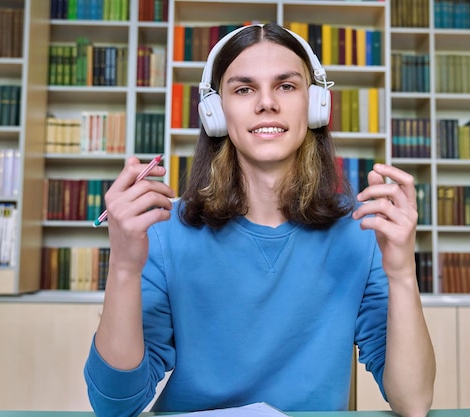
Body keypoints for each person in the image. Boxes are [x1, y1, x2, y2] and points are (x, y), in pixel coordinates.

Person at [84, 23, 435, 417]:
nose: (266, 103)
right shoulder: (165, 232)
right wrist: (125, 268)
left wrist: (403, 272)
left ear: (317, 104)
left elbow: (413, 402)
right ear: (215, 113)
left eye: (286, 86)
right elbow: (114, 406)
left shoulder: (361, 232)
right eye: (244, 89)